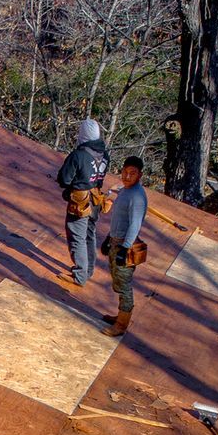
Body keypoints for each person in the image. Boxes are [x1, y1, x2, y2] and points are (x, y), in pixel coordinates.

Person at [56, 118, 111, 285]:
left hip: (80, 201)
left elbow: (64, 179)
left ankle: (80, 275)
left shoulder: (78, 156)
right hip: (95, 198)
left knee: (77, 236)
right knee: (89, 234)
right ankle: (88, 270)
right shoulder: (104, 155)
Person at [102, 156, 148, 337]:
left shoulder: (137, 197)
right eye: (125, 172)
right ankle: (119, 315)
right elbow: (119, 220)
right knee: (117, 280)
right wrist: (108, 238)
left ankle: (121, 325)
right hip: (115, 241)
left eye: (132, 174)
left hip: (124, 245)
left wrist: (125, 248)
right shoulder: (125, 191)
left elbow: (134, 225)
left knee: (124, 285)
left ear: (140, 175)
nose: (127, 176)